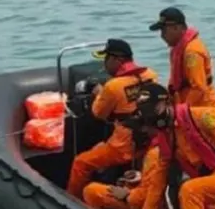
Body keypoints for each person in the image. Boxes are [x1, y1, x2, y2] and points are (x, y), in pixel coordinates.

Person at [66, 38, 158, 199]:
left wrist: (98, 92)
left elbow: (98, 114)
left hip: (123, 147)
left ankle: (72, 201)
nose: (104, 64)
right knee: (99, 149)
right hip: (148, 142)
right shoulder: (150, 75)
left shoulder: (113, 86)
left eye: (106, 59)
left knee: (80, 163)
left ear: (116, 60)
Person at [148, 7, 215, 112]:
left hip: (202, 109)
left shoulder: (192, 52)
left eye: (164, 30)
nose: (162, 36)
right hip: (185, 103)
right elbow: (174, 82)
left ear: (177, 28)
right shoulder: (177, 49)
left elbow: (198, 88)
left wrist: (181, 112)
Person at [81, 146, 167, 209]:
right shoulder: (160, 150)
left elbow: (149, 197)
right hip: (142, 198)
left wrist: (127, 195)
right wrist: (136, 178)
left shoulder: (155, 155)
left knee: (91, 191)